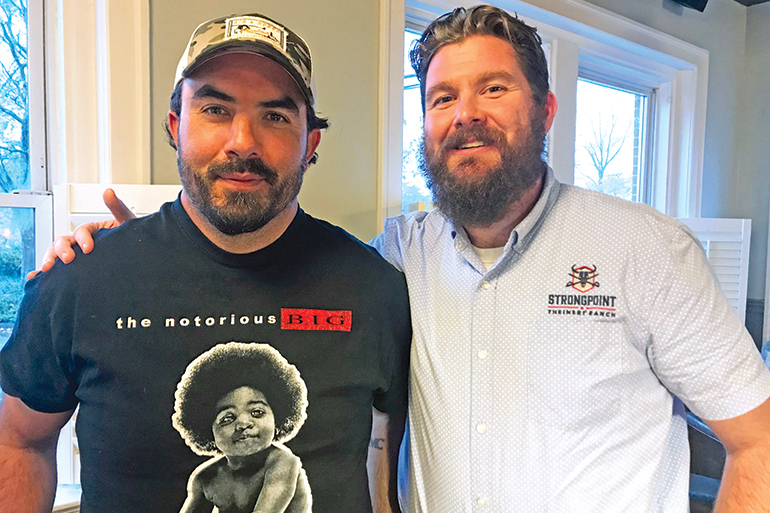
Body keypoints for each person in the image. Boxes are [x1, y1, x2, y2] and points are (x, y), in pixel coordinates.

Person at [31, 4, 770, 513]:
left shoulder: (646, 250)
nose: (465, 113)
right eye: (442, 96)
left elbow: (756, 440)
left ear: (545, 112)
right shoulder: (397, 257)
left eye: (494, 88)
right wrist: (122, 250)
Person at [0, 12, 410, 513]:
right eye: (216, 109)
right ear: (177, 126)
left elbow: (389, 457)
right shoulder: (79, 281)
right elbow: (18, 440)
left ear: (311, 144)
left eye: (276, 116)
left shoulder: (376, 289)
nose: (242, 141)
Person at [173, 342, 311, 513]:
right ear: (208, 431)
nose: (243, 423)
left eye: (257, 412)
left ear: (277, 416)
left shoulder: (282, 462)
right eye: (227, 418)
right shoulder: (205, 478)